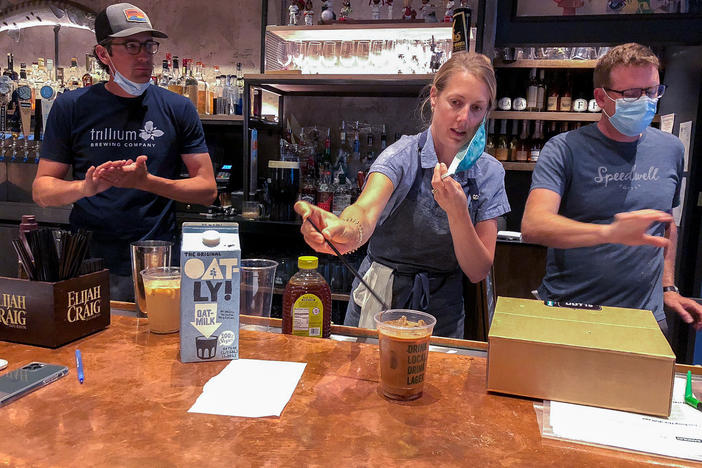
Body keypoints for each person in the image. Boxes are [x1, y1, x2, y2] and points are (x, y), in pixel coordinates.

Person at [295, 52, 510, 338]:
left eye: (476, 108)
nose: (464, 118)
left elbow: (477, 270)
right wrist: (342, 229)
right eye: (456, 102)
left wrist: (458, 211)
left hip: (442, 315)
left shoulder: (489, 173)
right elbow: (364, 212)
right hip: (381, 304)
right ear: (434, 97)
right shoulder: (402, 156)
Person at [32, 3, 217, 300]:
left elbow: (207, 189)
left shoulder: (178, 108)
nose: (144, 56)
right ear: (104, 54)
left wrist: (147, 183)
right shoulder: (71, 107)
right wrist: (85, 188)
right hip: (87, 259)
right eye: (131, 46)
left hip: (156, 260)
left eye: (148, 45)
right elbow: (42, 190)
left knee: (155, 343)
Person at [521, 43, 702, 337]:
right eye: (631, 94)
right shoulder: (564, 149)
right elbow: (533, 225)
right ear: (601, 98)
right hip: (571, 314)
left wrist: (668, 288)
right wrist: (608, 233)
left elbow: (667, 224)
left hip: (645, 320)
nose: (645, 101)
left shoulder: (670, 148)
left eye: (652, 91)